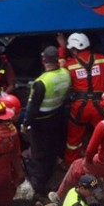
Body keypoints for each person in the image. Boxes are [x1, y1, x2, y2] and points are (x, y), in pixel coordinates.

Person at [57, 32, 104, 164]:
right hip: (100, 106)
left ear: (74, 49)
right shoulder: (103, 59)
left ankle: (71, 166)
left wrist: (62, 49)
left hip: (79, 108)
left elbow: (58, 75)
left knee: (73, 141)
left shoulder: (69, 64)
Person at [23, 46, 71, 197]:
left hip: (40, 123)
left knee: (39, 154)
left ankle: (39, 187)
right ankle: (50, 176)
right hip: (56, 117)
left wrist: (25, 124)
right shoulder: (65, 74)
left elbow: (32, 107)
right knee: (51, 149)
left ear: (44, 60)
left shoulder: (41, 82)